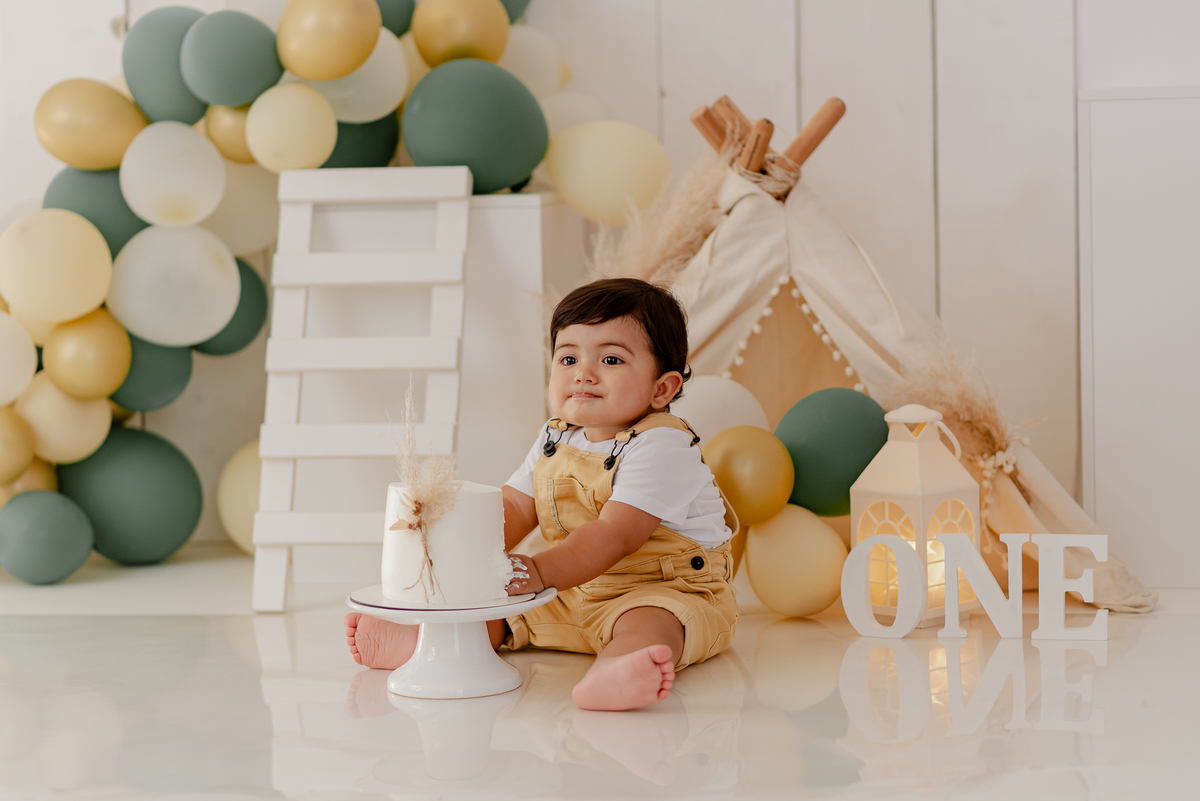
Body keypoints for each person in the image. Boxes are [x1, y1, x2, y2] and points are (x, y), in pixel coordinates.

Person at [344, 277, 739, 711]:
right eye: (568, 358)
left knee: (651, 622)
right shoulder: (556, 437)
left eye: (610, 359)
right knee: (499, 608)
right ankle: (425, 643)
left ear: (661, 389)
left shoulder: (662, 444)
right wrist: (463, 555)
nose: (583, 373)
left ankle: (620, 667)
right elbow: (515, 505)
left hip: (659, 587)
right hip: (570, 586)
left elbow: (616, 534)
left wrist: (539, 569)